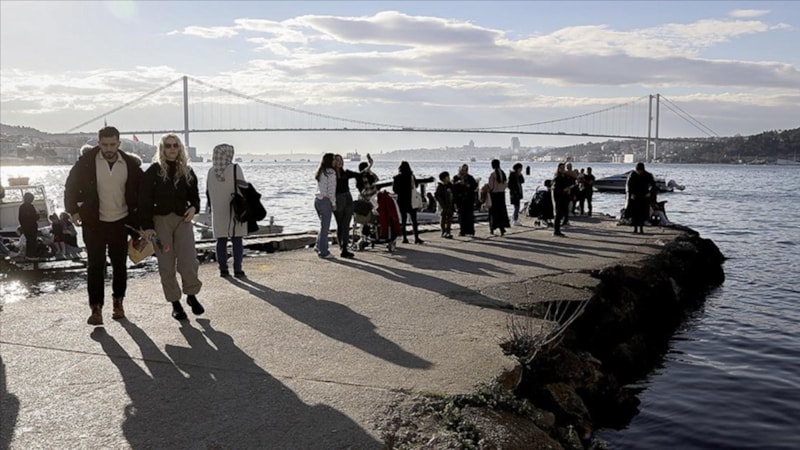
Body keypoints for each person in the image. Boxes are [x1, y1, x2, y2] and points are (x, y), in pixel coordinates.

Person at [64, 125, 144, 325]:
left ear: (119, 143)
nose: (108, 148)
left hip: (120, 222)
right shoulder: (86, 163)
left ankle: (118, 303)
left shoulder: (130, 165)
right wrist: (73, 211)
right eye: (104, 144)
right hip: (94, 222)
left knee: (119, 266)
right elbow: (70, 187)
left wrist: (142, 224)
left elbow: (142, 193)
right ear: (98, 143)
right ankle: (96, 308)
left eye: (112, 144)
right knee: (95, 266)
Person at [140, 134, 204, 321]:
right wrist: (147, 226)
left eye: (176, 145)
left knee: (189, 260)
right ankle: (175, 303)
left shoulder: (187, 171)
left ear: (180, 148)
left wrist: (194, 208)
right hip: (160, 222)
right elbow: (143, 201)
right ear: (162, 148)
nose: (172, 148)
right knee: (166, 264)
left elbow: (195, 198)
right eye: (168, 145)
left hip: (183, 220)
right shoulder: (153, 171)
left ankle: (191, 295)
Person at [206, 144, 249, 277]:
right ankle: (238, 270)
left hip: (218, 211)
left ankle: (223, 270)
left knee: (221, 240)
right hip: (235, 209)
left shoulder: (211, 171)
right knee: (237, 239)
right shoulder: (235, 168)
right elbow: (244, 188)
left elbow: (208, 192)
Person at [332, 154, 359, 259]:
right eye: (337, 160)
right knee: (340, 224)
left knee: (346, 224)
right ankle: (342, 247)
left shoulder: (346, 173)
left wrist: (369, 167)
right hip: (338, 199)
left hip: (348, 197)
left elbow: (359, 175)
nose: (339, 162)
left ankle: (344, 248)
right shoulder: (331, 174)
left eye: (340, 160)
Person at [392, 161, 424, 244]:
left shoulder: (396, 177)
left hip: (402, 200)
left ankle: (405, 238)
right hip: (411, 200)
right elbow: (416, 186)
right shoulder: (411, 176)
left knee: (403, 219)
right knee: (414, 220)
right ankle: (416, 238)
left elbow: (394, 190)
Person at [314, 153, 337, 259]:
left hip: (317, 200)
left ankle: (318, 246)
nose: (335, 161)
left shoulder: (320, 172)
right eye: (333, 159)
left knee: (323, 226)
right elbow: (331, 191)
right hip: (325, 201)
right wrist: (333, 203)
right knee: (325, 228)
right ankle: (324, 252)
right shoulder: (331, 173)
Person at [625, 162, 658, 234]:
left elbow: (653, 185)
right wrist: (630, 194)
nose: (639, 172)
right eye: (638, 170)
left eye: (640, 171)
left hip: (644, 196)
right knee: (634, 214)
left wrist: (649, 193)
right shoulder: (632, 175)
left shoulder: (648, 175)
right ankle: (635, 228)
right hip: (634, 197)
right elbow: (628, 186)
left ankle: (641, 229)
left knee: (643, 214)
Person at [452, 164, 478, 237]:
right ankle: (462, 231)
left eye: (465, 170)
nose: (463, 172)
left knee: (469, 216)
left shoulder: (470, 178)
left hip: (469, 200)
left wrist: (468, 185)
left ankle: (470, 231)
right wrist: (458, 184)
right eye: (462, 170)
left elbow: (474, 185)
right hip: (460, 200)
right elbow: (453, 187)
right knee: (461, 216)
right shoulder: (456, 177)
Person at [487, 159, 510, 236]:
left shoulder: (493, 175)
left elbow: (491, 186)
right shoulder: (503, 174)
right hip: (501, 195)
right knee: (501, 212)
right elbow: (506, 185)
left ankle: (492, 229)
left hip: (494, 195)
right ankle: (502, 228)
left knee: (493, 213)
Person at [551, 163, 572, 237]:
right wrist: (563, 190)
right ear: (558, 169)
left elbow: (571, 182)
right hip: (558, 197)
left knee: (564, 212)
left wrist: (568, 188)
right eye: (561, 168)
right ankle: (556, 231)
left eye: (563, 168)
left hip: (564, 197)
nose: (563, 169)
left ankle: (563, 223)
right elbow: (555, 188)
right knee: (558, 213)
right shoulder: (557, 177)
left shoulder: (565, 176)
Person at [434, 171, 455, 239]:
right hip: (443, 205)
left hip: (450, 204)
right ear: (443, 178)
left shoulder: (450, 185)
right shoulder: (440, 186)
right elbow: (437, 196)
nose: (449, 178)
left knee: (449, 218)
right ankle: (443, 231)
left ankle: (448, 231)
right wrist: (442, 204)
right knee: (443, 218)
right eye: (447, 177)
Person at [18, 192, 39, 258]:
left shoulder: (21, 207)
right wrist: (38, 215)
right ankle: (32, 255)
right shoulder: (31, 207)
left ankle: (28, 255)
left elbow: (20, 218)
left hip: (25, 227)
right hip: (32, 227)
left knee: (29, 241)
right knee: (33, 241)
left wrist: (23, 226)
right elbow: (35, 217)